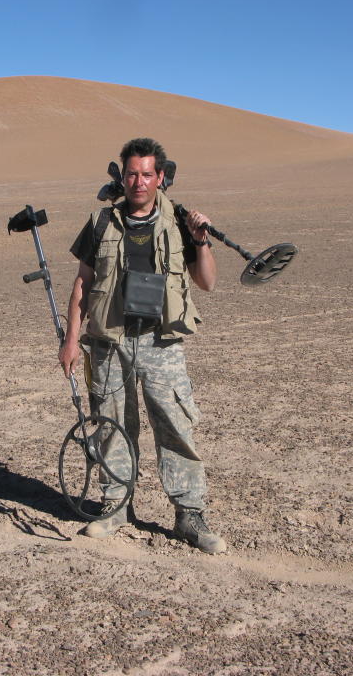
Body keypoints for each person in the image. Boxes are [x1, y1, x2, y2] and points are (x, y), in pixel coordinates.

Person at [58, 137, 226, 554]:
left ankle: (189, 513)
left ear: (161, 177)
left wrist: (201, 239)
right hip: (108, 340)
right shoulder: (101, 223)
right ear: (122, 175)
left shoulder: (180, 223)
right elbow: (83, 282)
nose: (139, 181)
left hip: (160, 341)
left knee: (174, 426)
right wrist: (70, 339)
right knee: (113, 425)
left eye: (147, 174)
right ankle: (115, 506)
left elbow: (206, 282)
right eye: (132, 173)